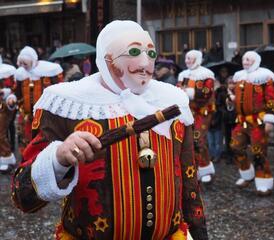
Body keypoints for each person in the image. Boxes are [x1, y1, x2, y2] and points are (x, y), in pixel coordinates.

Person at [11, 20, 208, 239]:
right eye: (134, 51)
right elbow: (23, 196)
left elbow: (190, 186)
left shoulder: (173, 102)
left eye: (151, 53)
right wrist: (57, 159)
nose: (145, 62)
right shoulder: (67, 104)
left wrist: (199, 234)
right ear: (108, 60)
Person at [228, 51, 274, 196]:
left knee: (258, 151)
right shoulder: (239, 77)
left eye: (249, 59)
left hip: (258, 121)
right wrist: (232, 100)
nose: (245, 61)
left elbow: (272, 99)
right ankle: (247, 174)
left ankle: (264, 181)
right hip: (241, 120)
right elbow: (238, 97)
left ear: (256, 61)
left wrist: (270, 118)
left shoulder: (265, 77)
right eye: (244, 59)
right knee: (235, 146)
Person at [14, 46, 63, 151]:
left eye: (25, 64)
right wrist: (13, 98)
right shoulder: (20, 74)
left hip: (44, 115)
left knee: (43, 140)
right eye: (20, 63)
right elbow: (17, 93)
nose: (23, 66)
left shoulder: (48, 72)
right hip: (26, 115)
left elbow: (59, 88)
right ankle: (26, 163)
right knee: (25, 139)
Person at [177, 50, 216, 184]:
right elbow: (177, 90)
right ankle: (198, 168)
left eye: (190, 58)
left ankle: (204, 168)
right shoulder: (183, 75)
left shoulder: (206, 74)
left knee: (198, 139)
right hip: (188, 112)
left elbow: (207, 92)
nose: (187, 61)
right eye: (186, 58)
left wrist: (189, 92)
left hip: (202, 112)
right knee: (189, 142)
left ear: (197, 59)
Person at [0, 57, 17, 172]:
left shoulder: (7, 72)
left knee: (1, 134)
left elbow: (12, 91)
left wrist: (9, 97)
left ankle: (7, 157)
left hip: (3, 108)